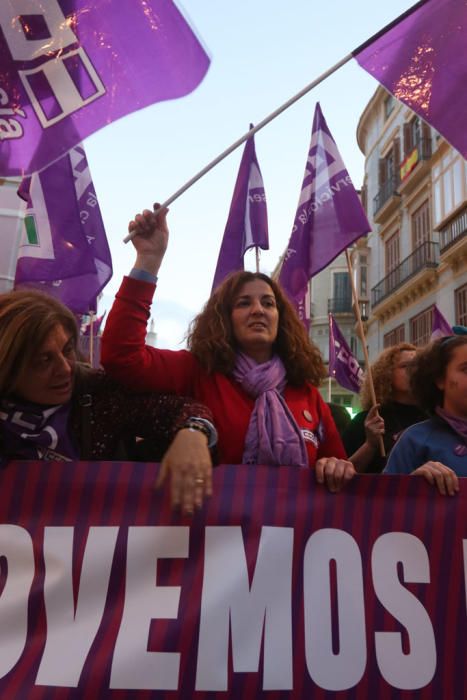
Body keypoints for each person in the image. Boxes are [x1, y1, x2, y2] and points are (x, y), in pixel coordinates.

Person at [101, 206, 356, 492]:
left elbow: (337, 463)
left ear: (280, 318)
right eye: (244, 303)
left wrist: (336, 467)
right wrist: (148, 260)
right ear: (225, 319)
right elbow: (121, 357)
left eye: (268, 303)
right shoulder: (197, 372)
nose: (258, 310)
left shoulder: (306, 393)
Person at [0, 289, 216, 514]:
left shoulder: (97, 394)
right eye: (44, 360)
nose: (65, 369)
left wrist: (193, 432)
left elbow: (180, 409)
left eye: (67, 350)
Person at [384, 335, 467, 494]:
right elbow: (384, 508)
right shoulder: (415, 440)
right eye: (466, 369)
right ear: (440, 379)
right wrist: (412, 484)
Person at [343, 343, 425, 473]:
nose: (414, 371)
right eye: (405, 366)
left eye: (418, 366)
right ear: (386, 375)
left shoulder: (436, 418)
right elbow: (343, 472)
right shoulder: (368, 420)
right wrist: (370, 445)